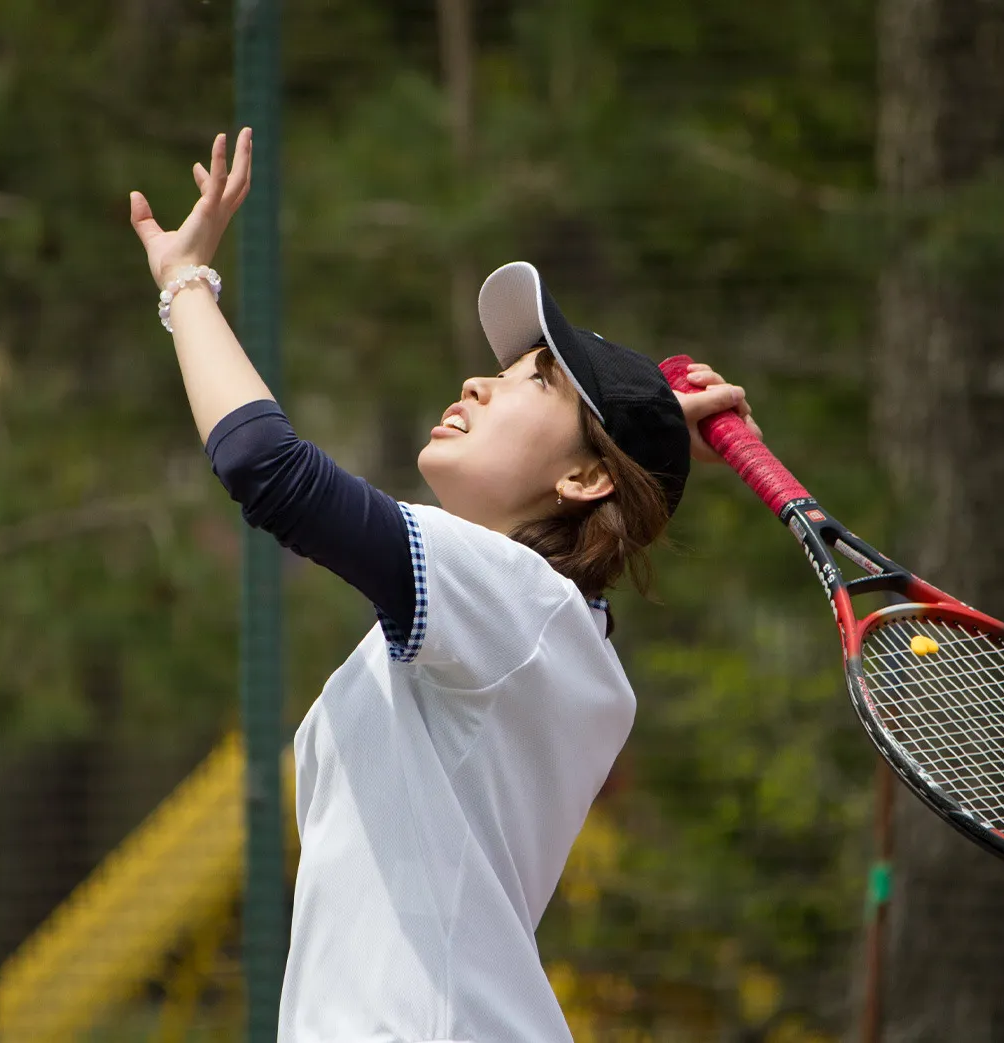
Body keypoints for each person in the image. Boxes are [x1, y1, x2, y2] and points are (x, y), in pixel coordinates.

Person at [130, 128, 760, 1043]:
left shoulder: (517, 604)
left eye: (532, 382)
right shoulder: (537, 624)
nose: (476, 383)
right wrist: (649, 427)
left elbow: (265, 466)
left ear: (585, 477)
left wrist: (185, 283)